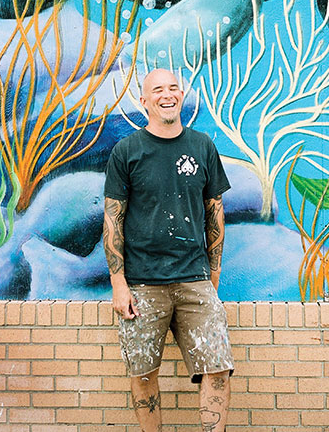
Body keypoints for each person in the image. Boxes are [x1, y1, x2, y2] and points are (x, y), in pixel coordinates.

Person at [103, 68, 234, 432]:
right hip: (142, 284)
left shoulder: (202, 146)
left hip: (195, 280)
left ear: (181, 95)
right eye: (157, 89)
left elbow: (215, 212)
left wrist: (214, 272)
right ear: (144, 101)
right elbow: (113, 219)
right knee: (143, 375)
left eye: (173, 88)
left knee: (218, 368)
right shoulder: (127, 151)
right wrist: (118, 282)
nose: (167, 94)